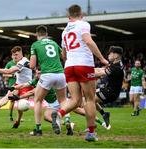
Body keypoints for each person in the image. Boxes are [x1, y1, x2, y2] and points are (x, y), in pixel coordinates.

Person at [54, 4, 108, 142]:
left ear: (68, 16)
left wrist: (70, 60)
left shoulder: (64, 31)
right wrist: (102, 59)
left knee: (75, 100)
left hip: (69, 66)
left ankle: (59, 114)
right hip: (83, 64)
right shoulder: (83, 24)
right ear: (81, 14)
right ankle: (91, 133)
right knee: (90, 99)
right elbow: (88, 41)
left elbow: (63, 54)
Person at [9, 69, 73, 135]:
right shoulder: (36, 80)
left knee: (77, 108)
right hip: (52, 104)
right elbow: (24, 85)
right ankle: (67, 124)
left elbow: (32, 92)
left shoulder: (46, 81)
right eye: (36, 73)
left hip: (59, 101)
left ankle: (67, 121)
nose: (37, 75)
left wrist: (19, 97)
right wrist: (14, 87)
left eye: (39, 73)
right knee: (46, 117)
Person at [29, 25, 67, 136]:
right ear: (46, 34)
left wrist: (36, 67)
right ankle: (68, 121)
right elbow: (64, 56)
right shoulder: (54, 43)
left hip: (47, 75)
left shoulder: (35, 45)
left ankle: (38, 129)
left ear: (37, 34)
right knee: (63, 101)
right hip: (60, 74)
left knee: (38, 100)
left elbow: (32, 65)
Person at [0, 46, 33, 127]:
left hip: (27, 86)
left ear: (21, 54)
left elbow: (9, 71)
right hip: (17, 84)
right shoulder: (16, 63)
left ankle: (18, 121)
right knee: (8, 96)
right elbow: (9, 72)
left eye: (16, 54)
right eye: (13, 55)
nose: (15, 56)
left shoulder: (24, 61)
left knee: (20, 105)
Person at [94, 46, 124, 127]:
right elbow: (102, 70)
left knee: (87, 101)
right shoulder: (116, 63)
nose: (108, 55)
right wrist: (92, 69)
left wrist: (86, 74)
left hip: (110, 92)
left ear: (116, 55)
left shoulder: (116, 67)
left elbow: (100, 73)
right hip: (108, 90)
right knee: (90, 100)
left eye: (110, 53)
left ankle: (91, 125)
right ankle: (104, 114)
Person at [3, 56, 16, 121]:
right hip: (12, 85)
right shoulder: (9, 64)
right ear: (12, 56)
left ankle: (19, 117)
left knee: (21, 101)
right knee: (12, 101)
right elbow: (4, 74)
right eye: (14, 55)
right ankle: (10, 115)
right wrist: (12, 75)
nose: (15, 56)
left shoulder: (21, 63)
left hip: (21, 84)